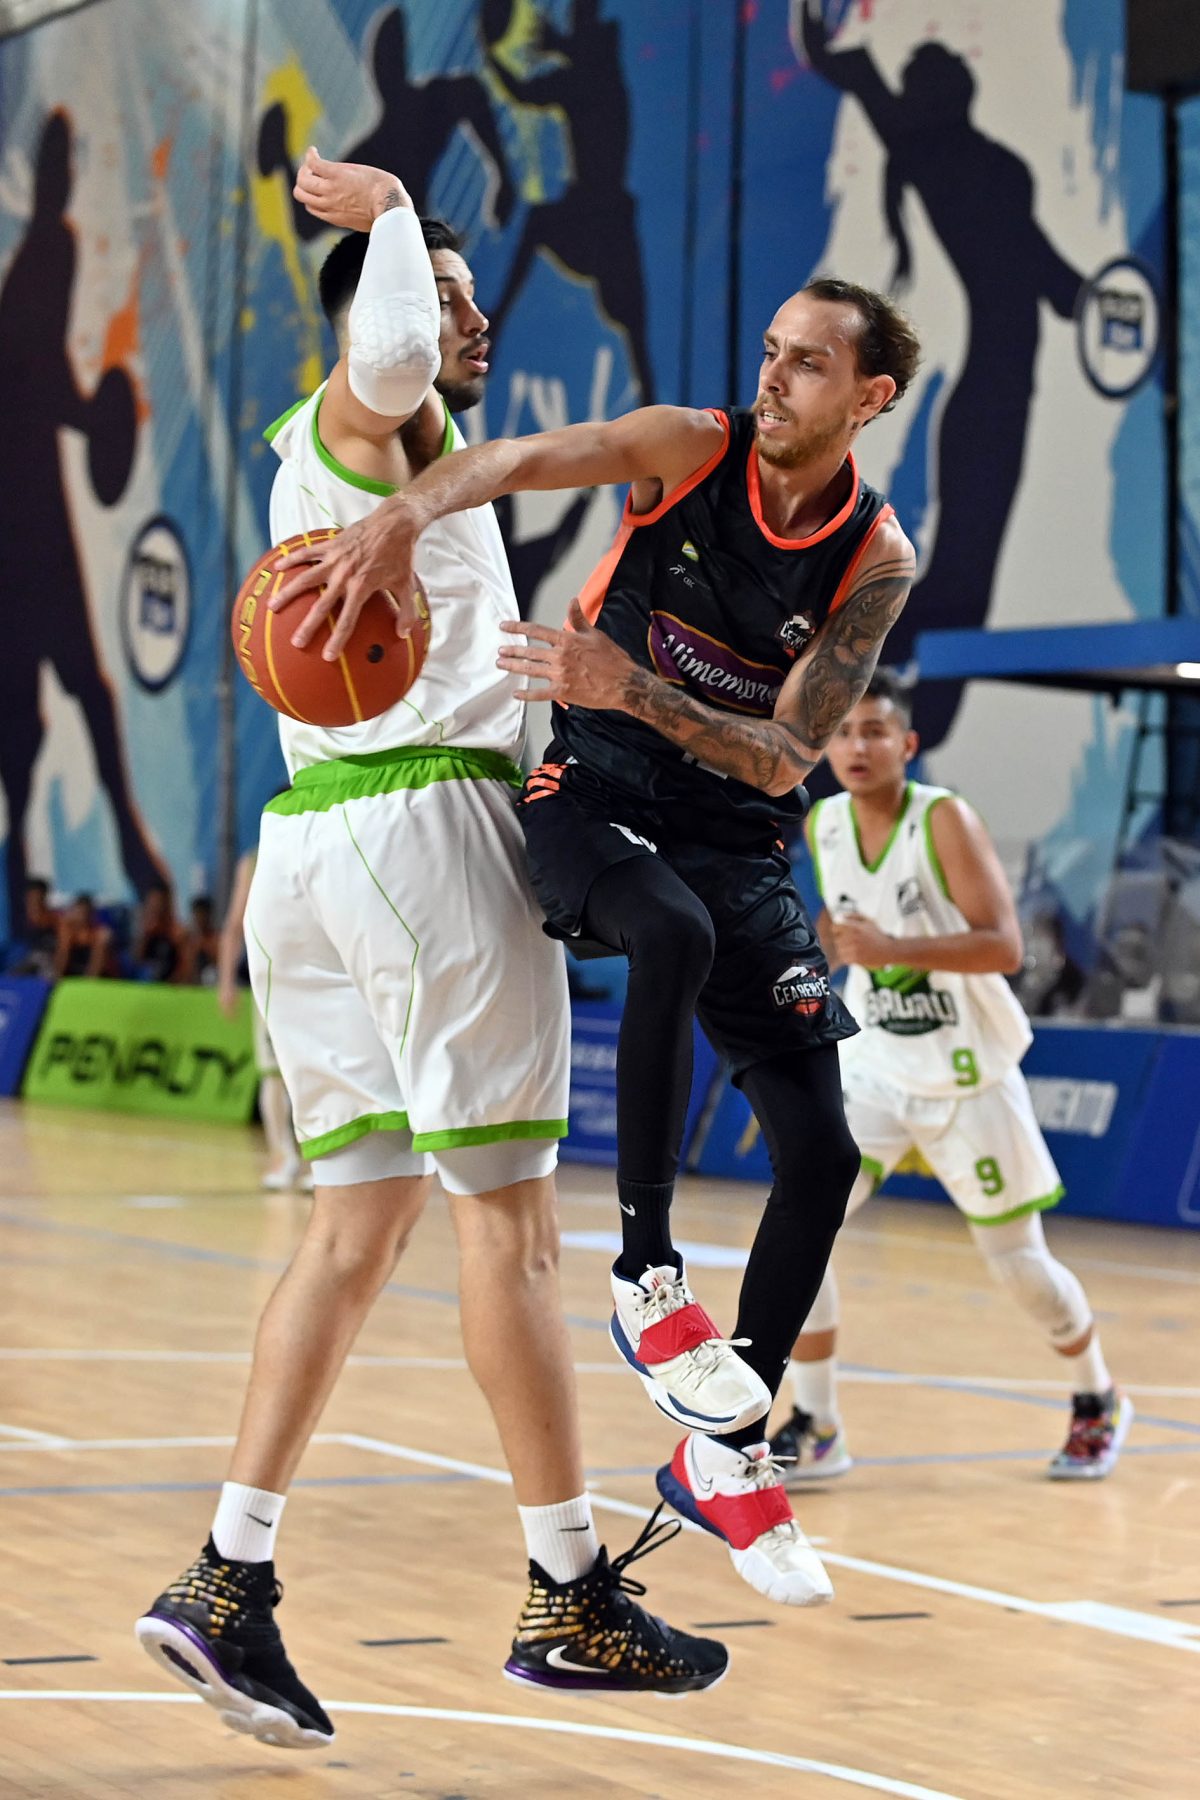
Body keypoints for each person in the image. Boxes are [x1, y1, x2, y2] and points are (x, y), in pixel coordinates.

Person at [135, 150, 727, 1750]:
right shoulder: (372, 418)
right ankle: (568, 1591)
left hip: (318, 845)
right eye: (451, 298)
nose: (472, 320)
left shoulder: (370, 463)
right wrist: (398, 209)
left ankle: (226, 1576)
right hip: (420, 830)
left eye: (472, 297)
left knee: (353, 1233)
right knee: (513, 1232)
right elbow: (391, 344)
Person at [273, 274, 921, 1605]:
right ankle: (645, 1271)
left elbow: (783, 758)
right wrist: (404, 512)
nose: (773, 376)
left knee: (822, 1146)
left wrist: (637, 686)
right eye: (772, 348)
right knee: (666, 934)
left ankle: (725, 1450)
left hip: (734, 834)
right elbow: (520, 458)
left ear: (871, 398)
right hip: (593, 794)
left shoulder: (874, 559)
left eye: (808, 364)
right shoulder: (691, 446)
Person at [766, 671, 1130, 1483]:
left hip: (968, 1073)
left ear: (908, 744)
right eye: (843, 732)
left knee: (1020, 1267)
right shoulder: (824, 822)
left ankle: (1096, 1395)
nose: (857, 746)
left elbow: (1006, 947)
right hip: (876, 1067)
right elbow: (839, 930)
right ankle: (818, 1423)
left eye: (874, 731)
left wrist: (891, 950)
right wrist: (818, 964)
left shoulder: (943, 819)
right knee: (800, 1228)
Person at [217, 850, 306, 1192]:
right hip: (275, 983)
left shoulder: (313, 846)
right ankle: (284, 1157)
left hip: (308, 979)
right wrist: (226, 981)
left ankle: (316, 1161)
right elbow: (234, 925)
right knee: (275, 1074)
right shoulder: (254, 861)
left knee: (306, 1073)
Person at [131, 881, 183, 982]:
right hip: (145, 982)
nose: (156, 908)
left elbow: (184, 969)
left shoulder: (177, 933)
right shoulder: (146, 930)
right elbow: (136, 961)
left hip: (170, 984)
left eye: (159, 903)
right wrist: (145, 936)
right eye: (152, 904)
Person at [53, 893, 113, 979]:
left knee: (102, 943)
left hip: (95, 976)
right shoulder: (67, 930)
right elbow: (62, 954)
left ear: (91, 914)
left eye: (85, 913)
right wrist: (57, 977)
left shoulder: (99, 933)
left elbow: (98, 960)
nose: (82, 917)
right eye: (79, 912)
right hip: (72, 972)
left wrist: (88, 982)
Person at [180, 894, 220, 986]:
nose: (200, 919)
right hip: (190, 980)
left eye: (203, 915)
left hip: (211, 981)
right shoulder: (188, 938)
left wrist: (206, 948)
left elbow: (221, 965)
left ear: (209, 915)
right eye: (197, 915)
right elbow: (183, 966)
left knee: (210, 974)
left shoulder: (216, 939)